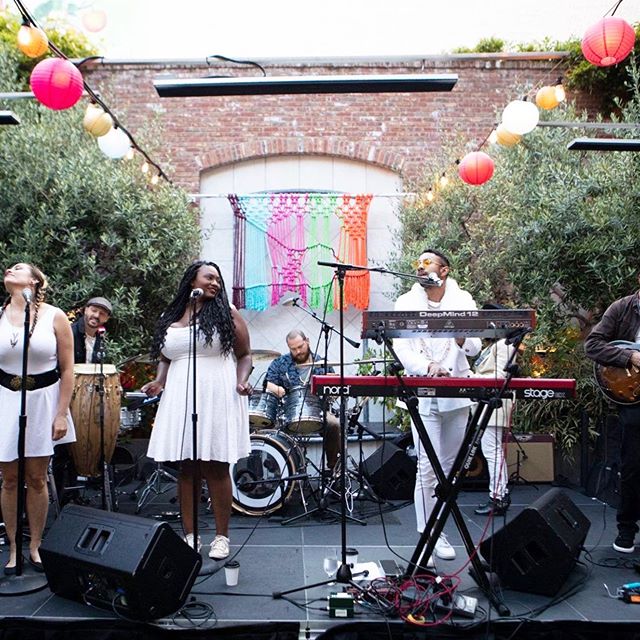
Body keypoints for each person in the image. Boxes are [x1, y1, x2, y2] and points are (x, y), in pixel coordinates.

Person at [142, 261, 252, 560]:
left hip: (217, 392)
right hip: (180, 394)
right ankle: (190, 536)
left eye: (218, 279)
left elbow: (244, 354)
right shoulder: (170, 315)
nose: (215, 283)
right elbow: (167, 356)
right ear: (192, 280)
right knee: (187, 468)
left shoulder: (227, 312)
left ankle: (221, 537)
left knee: (215, 466)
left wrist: (242, 381)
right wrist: (159, 381)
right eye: (209, 277)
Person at [393, 249, 481, 563]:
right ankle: (428, 535)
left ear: (444, 270)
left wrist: (462, 340)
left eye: (427, 262)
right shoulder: (405, 302)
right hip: (423, 392)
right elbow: (401, 347)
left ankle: (438, 528)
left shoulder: (463, 300)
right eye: (417, 263)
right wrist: (427, 366)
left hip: (456, 394)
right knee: (427, 467)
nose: (420, 267)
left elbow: (475, 346)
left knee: (449, 469)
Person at [0, 262, 76, 574]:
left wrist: (61, 414)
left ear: (34, 281)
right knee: (9, 478)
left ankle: (35, 545)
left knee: (36, 477)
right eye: (9, 268)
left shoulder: (54, 316)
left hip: (44, 399)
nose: (10, 270)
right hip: (6, 399)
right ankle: (13, 547)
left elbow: (68, 369)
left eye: (18, 268)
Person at [584, 286, 640, 554]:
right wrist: (630, 356)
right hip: (634, 398)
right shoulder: (622, 308)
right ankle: (626, 529)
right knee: (633, 466)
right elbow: (592, 345)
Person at [52, 296, 114, 506]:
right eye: (94, 310)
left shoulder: (100, 339)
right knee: (63, 449)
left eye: (102, 313)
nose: (96, 315)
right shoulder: (69, 332)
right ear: (85, 310)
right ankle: (61, 499)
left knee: (79, 446)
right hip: (64, 396)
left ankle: (73, 496)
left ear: (106, 319)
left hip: (84, 400)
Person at [265, 329, 340, 469]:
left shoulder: (322, 364)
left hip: (318, 411)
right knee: (272, 429)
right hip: (288, 412)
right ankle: (280, 470)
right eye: (293, 349)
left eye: (300, 347)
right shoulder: (280, 363)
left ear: (307, 341)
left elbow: (334, 392)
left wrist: (334, 387)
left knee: (334, 424)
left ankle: (333, 468)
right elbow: (267, 383)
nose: (298, 351)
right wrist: (276, 389)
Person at [472, 332, 515, 516]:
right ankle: (499, 495)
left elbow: (500, 375)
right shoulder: (492, 346)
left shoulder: (504, 345)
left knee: (493, 451)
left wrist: (471, 378)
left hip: (495, 405)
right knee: (492, 451)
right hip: (487, 404)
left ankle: (498, 496)